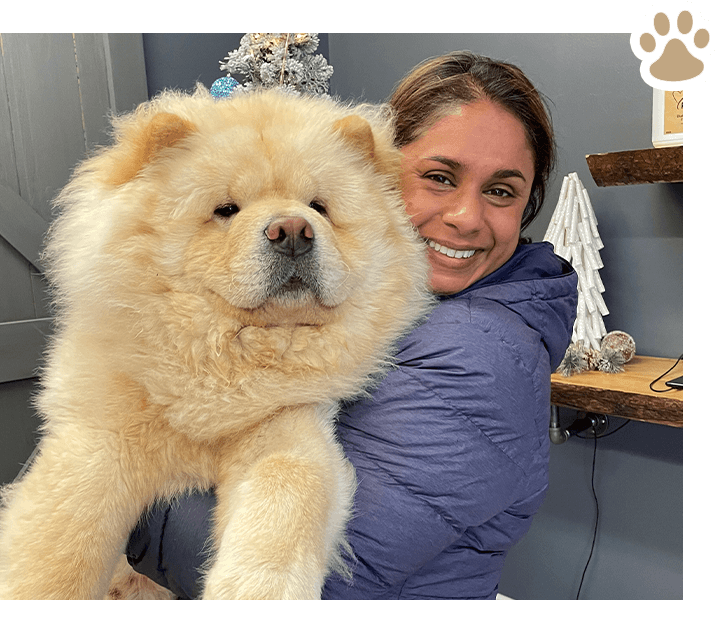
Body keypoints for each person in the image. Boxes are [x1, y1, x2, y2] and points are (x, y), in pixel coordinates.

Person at [124, 51, 578, 602]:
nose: (466, 217)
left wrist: (122, 470)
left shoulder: (477, 354)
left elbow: (317, 584)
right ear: (372, 179)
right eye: (438, 178)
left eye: (501, 191)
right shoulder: (376, 305)